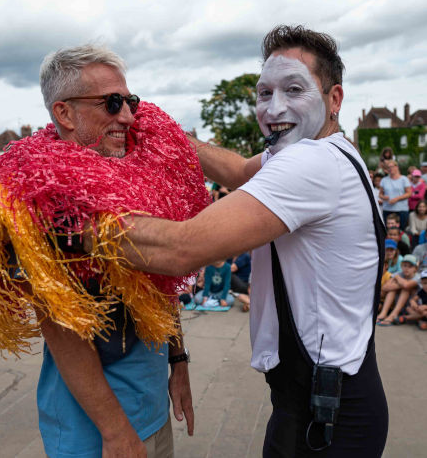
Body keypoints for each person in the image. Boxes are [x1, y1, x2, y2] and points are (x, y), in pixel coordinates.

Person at [113, 26, 388, 456]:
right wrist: (169, 137)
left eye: (294, 89)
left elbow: (180, 248)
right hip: (324, 397)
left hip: (327, 415)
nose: (274, 108)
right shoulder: (329, 148)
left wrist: (68, 221)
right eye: (264, 93)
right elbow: (242, 171)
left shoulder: (310, 162)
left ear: (334, 99)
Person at [0, 44, 205, 458]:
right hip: (98, 431)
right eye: (111, 103)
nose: (126, 117)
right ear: (64, 113)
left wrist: (177, 360)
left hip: (151, 409)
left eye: (130, 102)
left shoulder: (128, 177)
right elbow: (63, 328)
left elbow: (159, 282)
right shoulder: (40, 199)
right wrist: (115, 432)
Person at [377, 254, 420, 325]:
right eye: (405, 265)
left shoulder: (417, 277)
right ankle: (383, 313)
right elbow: (385, 287)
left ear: (415, 268)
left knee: (405, 290)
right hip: (399, 306)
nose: (406, 268)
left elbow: (406, 285)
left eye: (410, 266)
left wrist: (397, 278)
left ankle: (393, 315)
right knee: (392, 290)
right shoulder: (399, 274)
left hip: (411, 308)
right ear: (401, 266)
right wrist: (400, 284)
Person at [379, 160, 411, 230]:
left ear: (397, 167)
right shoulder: (384, 180)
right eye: (388, 167)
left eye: (392, 166)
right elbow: (380, 194)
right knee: (387, 231)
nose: (390, 169)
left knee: (401, 231)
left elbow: (409, 193)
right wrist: (384, 197)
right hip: (387, 209)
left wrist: (396, 199)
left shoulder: (404, 179)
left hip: (401, 210)